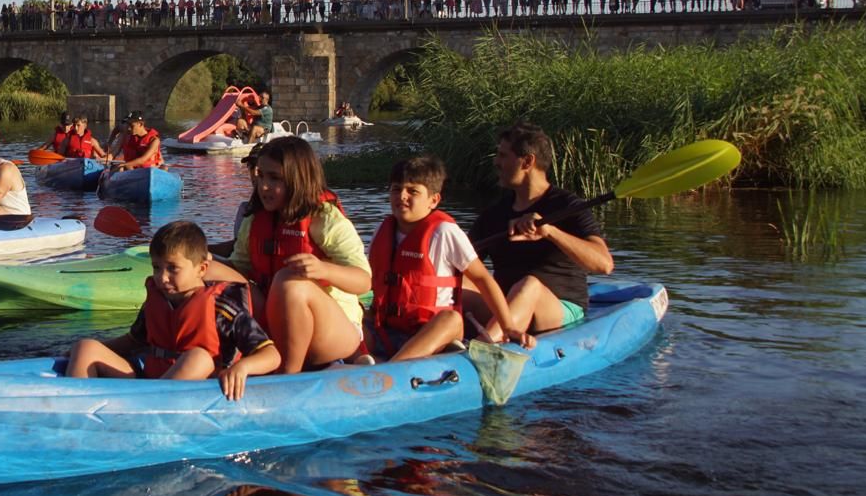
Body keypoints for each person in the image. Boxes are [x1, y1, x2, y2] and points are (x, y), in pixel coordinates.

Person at [65, 221, 280, 399]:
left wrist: (242, 368)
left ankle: (147, 407)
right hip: (149, 384)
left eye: (172, 268)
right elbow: (133, 341)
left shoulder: (222, 307)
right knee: (86, 348)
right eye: (157, 267)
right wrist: (76, 353)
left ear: (202, 269)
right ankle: (74, 413)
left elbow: (271, 355)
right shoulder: (158, 300)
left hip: (201, 391)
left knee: (199, 358)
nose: (162, 277)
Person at [225, 136, 371, 373]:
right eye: (261, 176)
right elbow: (239, 269)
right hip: (276, 328)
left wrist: (325, 270)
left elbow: (364, 282)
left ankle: (288, 375)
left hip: (332, 334)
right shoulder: (255, 219)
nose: (263, 186)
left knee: (289, 282)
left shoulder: (326, 220)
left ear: (298, 179)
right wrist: (201, 264)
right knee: (206, 270)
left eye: (274, 178)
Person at [366, 155, 529, 361]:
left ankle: (392, 369)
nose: (402, 196)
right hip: (386, 330)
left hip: (431, 331)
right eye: (396, 189)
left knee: (451, 319)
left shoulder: (444, 232)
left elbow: (482, 278)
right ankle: (353, 364)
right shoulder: (383, 230)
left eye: (412, 191)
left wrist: (508, 327)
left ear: (433, 200)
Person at [467, 123, 615, 340]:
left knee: (529, 285)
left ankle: (483, 347)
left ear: (527, 161)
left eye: (502, 155)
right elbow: (466, 266)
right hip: (506, 306)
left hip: (557, 308)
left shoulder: (568, 206)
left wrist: (551, 232)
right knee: (458, 282)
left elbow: (604, 264)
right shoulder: (493, 214)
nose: (496, 162)